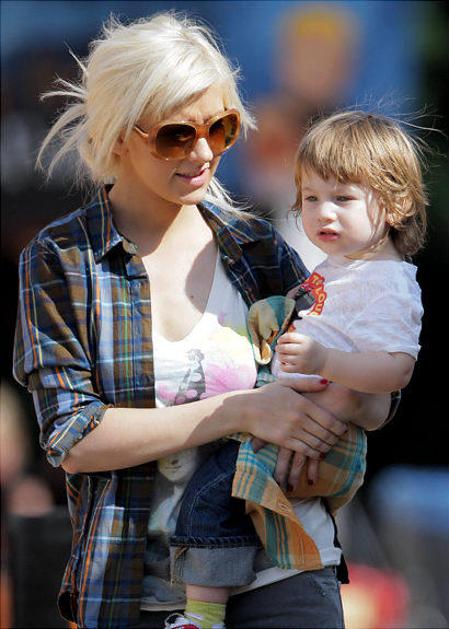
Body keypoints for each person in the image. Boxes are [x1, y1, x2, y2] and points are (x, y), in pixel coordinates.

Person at [12, 13, 392, 629]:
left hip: (286, 570)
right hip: (133, 591)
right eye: (175, 135)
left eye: (221, 127)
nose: (204, 151)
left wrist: (345, 406)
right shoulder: (61, 260)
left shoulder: (257, 247)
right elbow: (74, 439)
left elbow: (369, 395)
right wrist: (240, 411)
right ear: (117, 137)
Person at [165, 111, 425, 629]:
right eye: (310, 198)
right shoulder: (342, 267)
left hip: (316, 435)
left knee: (211, 496)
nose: (323, 213)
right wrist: (278, 309)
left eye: (343, 198)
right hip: (292, 423)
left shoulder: (388, 281)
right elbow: (318, 317)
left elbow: (396, 370)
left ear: (396, 203)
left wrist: (325, 363)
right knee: (226, 497)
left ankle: (203, 615)